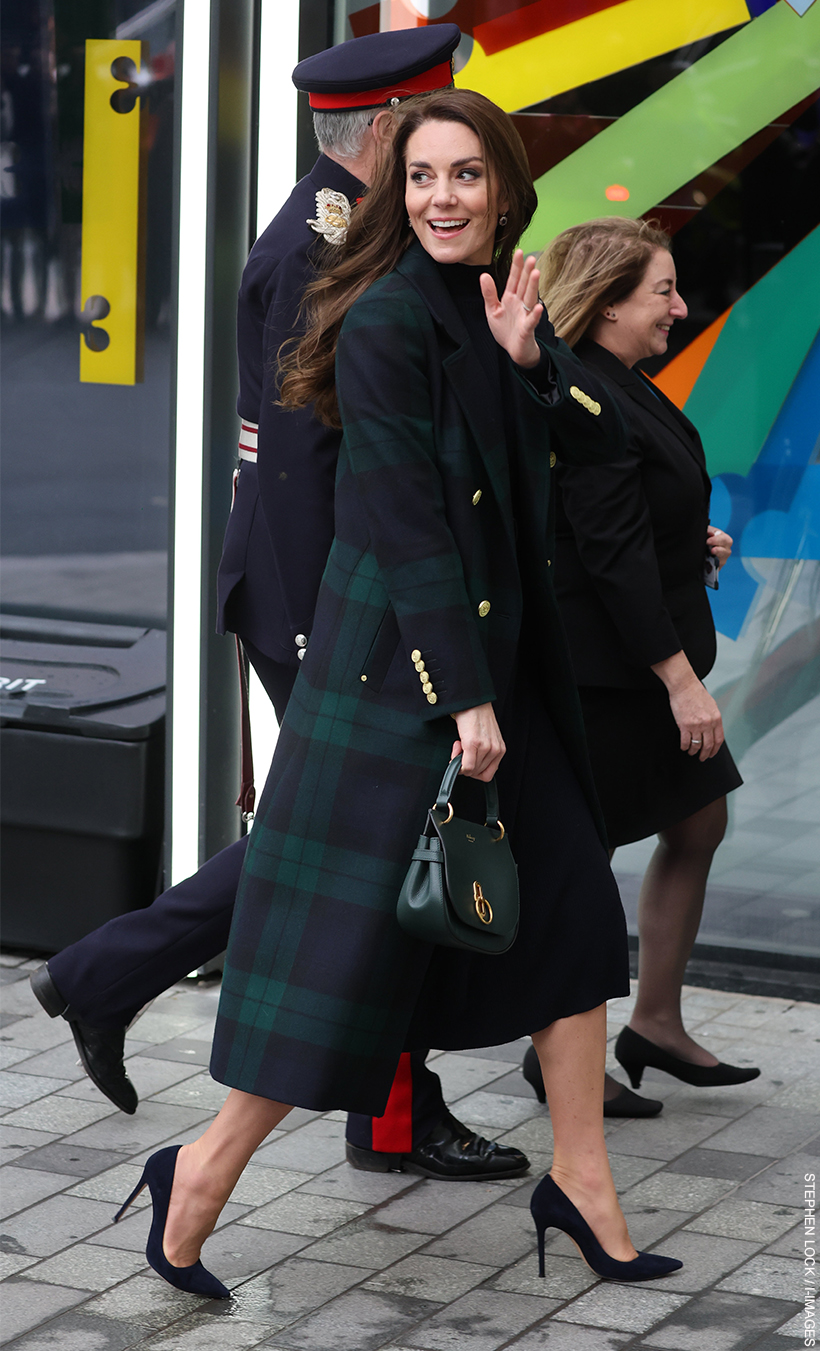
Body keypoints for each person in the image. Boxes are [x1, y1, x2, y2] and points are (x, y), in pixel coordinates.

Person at [112, 90, 682, 1299]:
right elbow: (406, 527)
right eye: (422, 176)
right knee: (343, 962)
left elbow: (594, 443)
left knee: (576, 918)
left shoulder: (496, 310)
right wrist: (465, 698)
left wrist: (536, 365)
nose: (442, 197)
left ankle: (580, 1182)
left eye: (466, 175)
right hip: (407, 685)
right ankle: (199, 1174)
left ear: (503, 188)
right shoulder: (378, 320)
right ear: (393, 189)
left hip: (500, 686)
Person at [29, 27, 529, 1184]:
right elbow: (300, 467)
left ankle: (107, 977)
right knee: (359, 847)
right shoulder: (322, 254)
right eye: (427, 141)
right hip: (331, 607)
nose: (446, 170)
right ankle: (377, 1107)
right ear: (387, 134)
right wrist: (319, 634)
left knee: (360, 843)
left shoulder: (359, 233)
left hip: (352, 604)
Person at [523, 217, 758, 1099]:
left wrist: (686, 542)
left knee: (698, 820)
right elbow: (604, 555)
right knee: (576, 868)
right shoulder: (585, 394)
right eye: (662, 291)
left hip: (635, 654)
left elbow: (622, 521)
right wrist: (681, 681)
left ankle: (655, 1021)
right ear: (610, 302)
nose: (680, 307)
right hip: (612, 673)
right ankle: (556, 1047)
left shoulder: (617, 381)